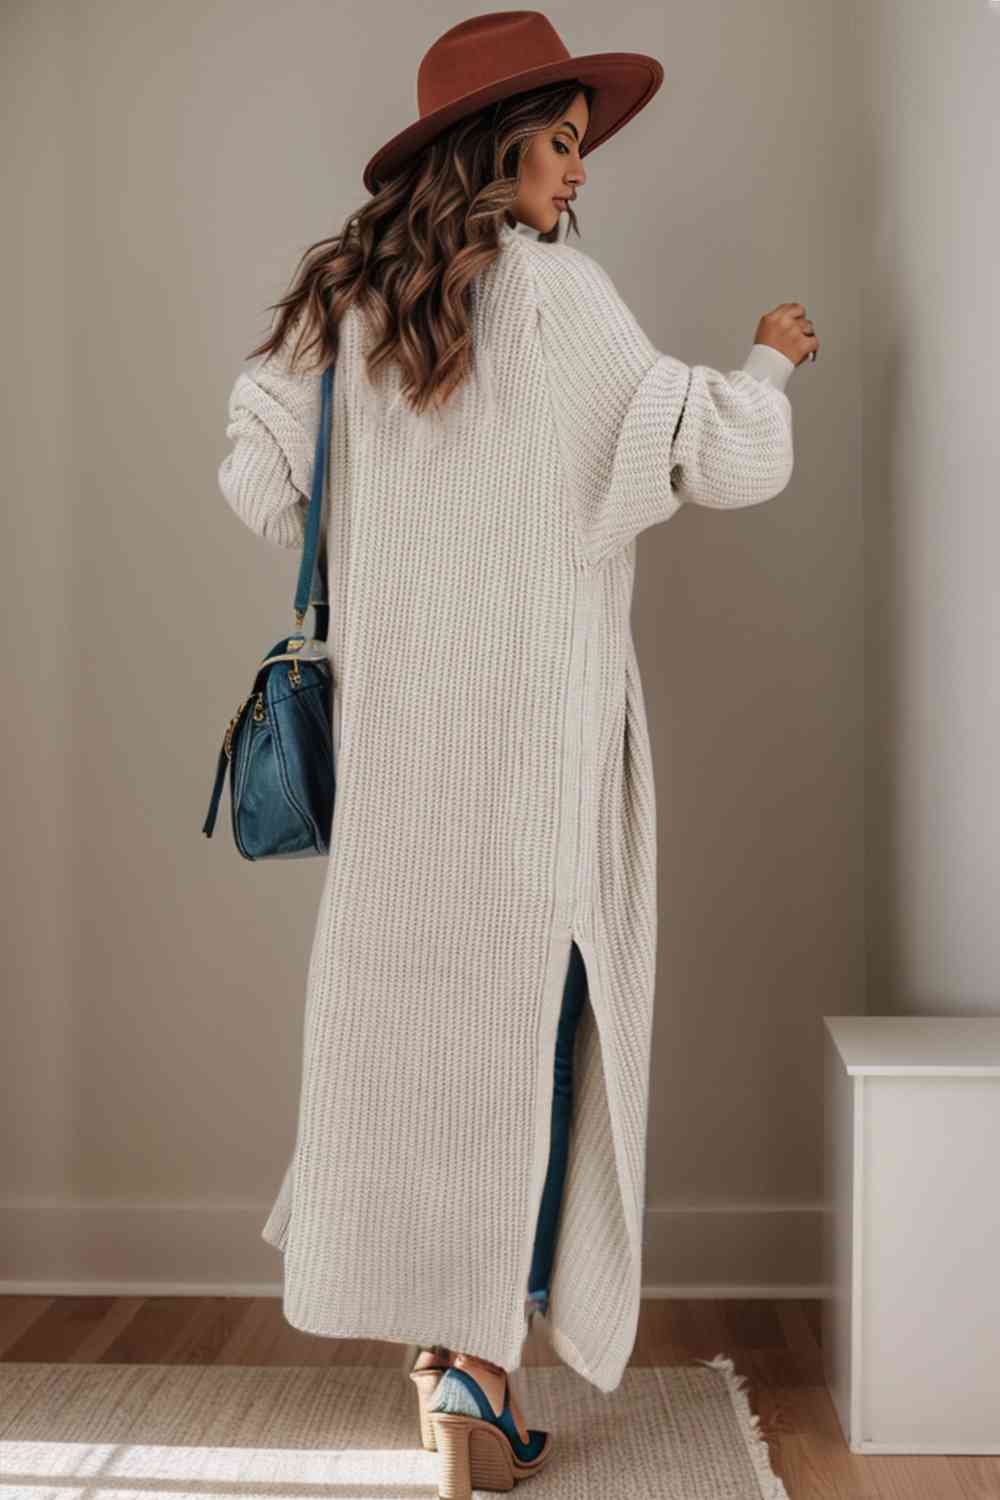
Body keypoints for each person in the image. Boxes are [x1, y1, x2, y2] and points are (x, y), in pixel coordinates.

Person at [217, 11, 818, 1497]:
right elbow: (709, 449)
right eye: (561, 144)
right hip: (536, 746)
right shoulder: (558, 300)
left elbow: (260, 484)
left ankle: (443, 1350)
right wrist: (769, 360)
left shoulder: (348, 304)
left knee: (413, 1048)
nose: (579, 174)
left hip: (402, 749)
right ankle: (479, 1379)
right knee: (526, 1051)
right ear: (493, 151)